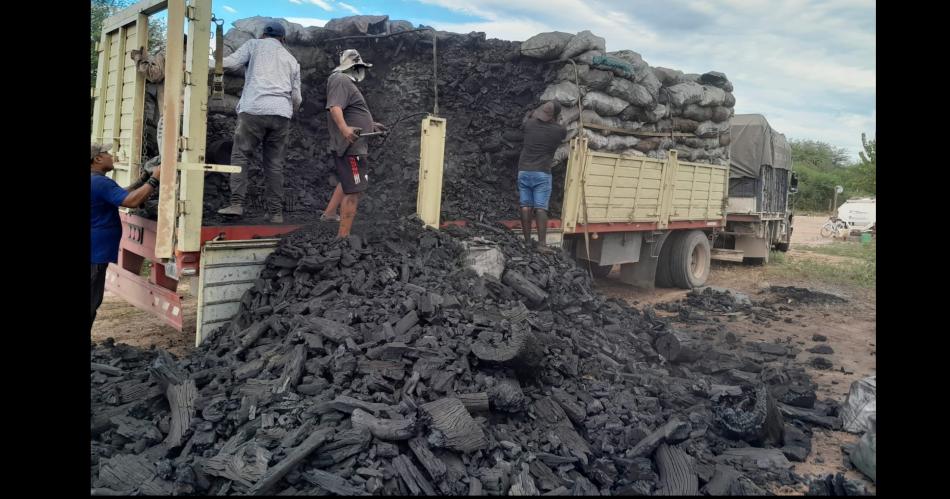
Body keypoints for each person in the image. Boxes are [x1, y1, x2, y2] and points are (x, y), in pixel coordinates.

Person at [216, 22, 302, 223]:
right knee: (274, 164)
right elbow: (297, 98)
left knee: (241, 155)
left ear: (263, 34)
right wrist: (287, 110)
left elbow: (230, 64)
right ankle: (276, 213)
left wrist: (203, 62)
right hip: (281, 115)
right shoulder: (292, 60)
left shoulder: (254, 45)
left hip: (254, 110)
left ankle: (236, 204)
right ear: (283, 39)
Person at [90, 142, 163, 331]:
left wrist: (143, 180)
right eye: (107, 153)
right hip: (94, 255)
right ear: (97, 159)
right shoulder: (99, 182)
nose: (111, 156)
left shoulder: (96, 182)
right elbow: (131, 201)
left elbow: (120, 194)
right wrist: (155, 179)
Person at [320, 49, 387, 237]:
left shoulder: (345, 82)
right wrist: (344, 129)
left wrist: (371, 125)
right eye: (357, 66)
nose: (360, 70)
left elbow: (351, 112)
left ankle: (329, 214)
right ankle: (343, 238)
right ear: (352, 67)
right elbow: (335, 107)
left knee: (348, 181)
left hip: (354, 145)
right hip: (351, 147)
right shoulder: (340, 79)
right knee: (355, 190)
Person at [517, 100, 567, 252]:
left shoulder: (529, 124)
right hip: (542, 173)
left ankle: (527, 242)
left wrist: (531, 114)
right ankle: (541, 245)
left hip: (524, 171)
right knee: (540, 208)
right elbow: (563, 131)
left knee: (525, 206)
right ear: (555, 116)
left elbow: (525, 121)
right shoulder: (559, 131)